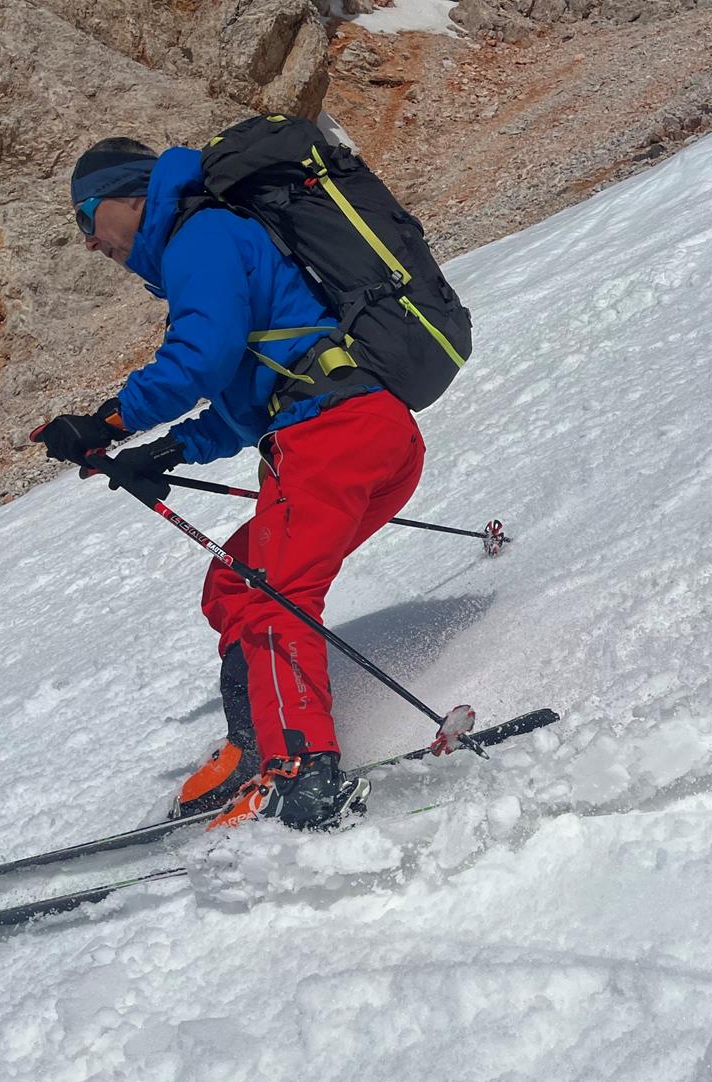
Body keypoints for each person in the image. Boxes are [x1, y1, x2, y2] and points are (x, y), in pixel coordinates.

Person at [33, 135, 426, 831]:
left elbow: (200, 358)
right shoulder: (211, 241)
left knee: (276, 595)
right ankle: (254, 749)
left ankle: (303, 770)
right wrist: (170, 449)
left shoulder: (200, 234)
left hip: (333, 437)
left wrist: (107, 421)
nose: (90, 241)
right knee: (237, 583)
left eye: (86, 217)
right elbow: (247, 404)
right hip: (361, 434)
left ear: (131, 196)